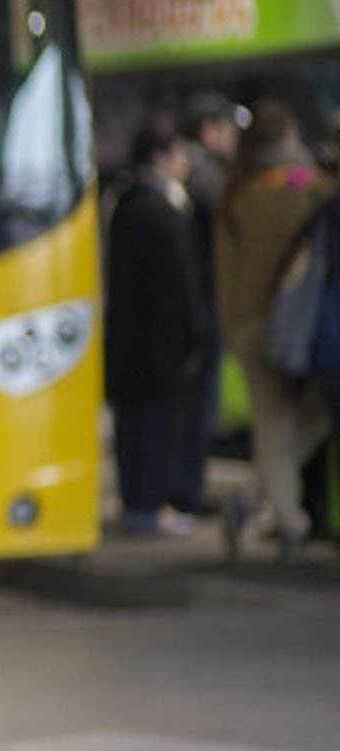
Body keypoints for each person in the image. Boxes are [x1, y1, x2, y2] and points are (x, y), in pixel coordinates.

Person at [215, 99, 332, 562]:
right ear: (288, 137)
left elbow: (224, 271)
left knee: (273, 422)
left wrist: (230, 327)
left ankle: (250, 498)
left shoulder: (236, 192)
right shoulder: (306, 187)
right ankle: (288, 521)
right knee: (305, 416)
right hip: (299, 323)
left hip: (248, 322)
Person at [104, 118, 208, 536]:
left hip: (127, 337)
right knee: (159, 426)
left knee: (132, 426)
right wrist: (193, 338)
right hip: (160, 342)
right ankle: (152, 507)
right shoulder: (163, 212)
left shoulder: (124, 202)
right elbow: (183, 284)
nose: (184, 163)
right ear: (160, 157)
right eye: (180, 154)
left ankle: (137, 504)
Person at [174, 91, 239, 515]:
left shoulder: (194, 174)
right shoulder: (205, 175)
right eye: (230, 128)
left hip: (195, 306)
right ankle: (188, 490)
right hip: (200, 308)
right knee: (197, 406)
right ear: (209, 131)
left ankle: (186, 487)